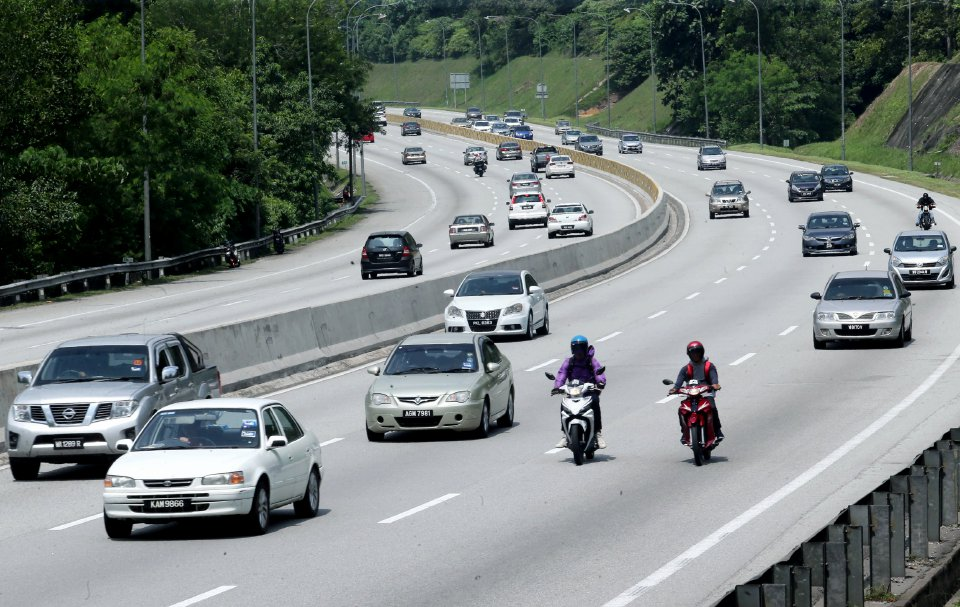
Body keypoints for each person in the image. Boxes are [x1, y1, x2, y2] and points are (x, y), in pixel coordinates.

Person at [553, 335, 607, 449]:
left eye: (580, 348)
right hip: (573, 392)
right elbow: (561, 374)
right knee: (563, 405)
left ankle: (598, 433)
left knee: (595, 402)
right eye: (576, 348)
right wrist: (557, 387)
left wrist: (600, 382)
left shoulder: (591, 361)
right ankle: (565, 435)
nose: (578, 351)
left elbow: (599, 371)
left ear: (585, 348)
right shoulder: (569, 362)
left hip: (589, 392)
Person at [668, 341, 724, 445]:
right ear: (689, 354)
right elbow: (679, 382)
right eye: (693, 353)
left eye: (697, 352)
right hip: (691, 394)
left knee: (712, 408)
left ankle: (718, 431)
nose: (695, 355)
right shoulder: (686, 368)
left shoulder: (709, 366)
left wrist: (715, 384)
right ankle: (684, 434)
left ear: (702, 352)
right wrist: (674, 389)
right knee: (682, 410)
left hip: (706, 394)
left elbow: (714, 378)